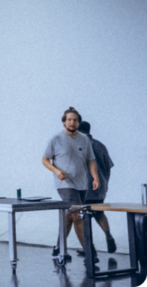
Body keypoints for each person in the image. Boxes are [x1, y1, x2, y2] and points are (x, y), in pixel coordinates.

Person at [42, 107, 99, 260]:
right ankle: (89, 252)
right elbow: (45, 159)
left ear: (78, 122)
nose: (72, 122)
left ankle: (58, 249)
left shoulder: (84, 139)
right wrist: (56, 171)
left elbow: (91, 159)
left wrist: (95, 177)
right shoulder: (56, 139)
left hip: (82, 183)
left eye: (75, 120)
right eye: (69, 119)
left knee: (69, 216)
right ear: (64, 122)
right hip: (65, 183)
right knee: (77, 214)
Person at [79, 120, 116, 254]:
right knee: (99, 213)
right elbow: (108, 167)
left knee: (83, 216)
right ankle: (108, 235)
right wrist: (105, 184)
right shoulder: (100, 145)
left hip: (85, 187)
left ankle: (90, 248)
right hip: (100, 186)